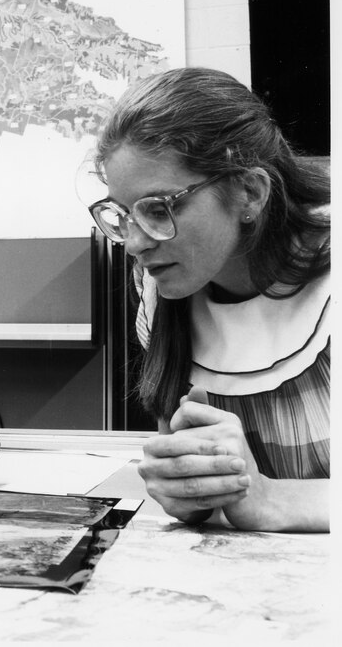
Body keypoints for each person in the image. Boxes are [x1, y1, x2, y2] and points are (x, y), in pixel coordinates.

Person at [87, 67, 329, 532]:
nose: (135, 244)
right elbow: (192, 472)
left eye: (159, 209)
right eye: (122, 215)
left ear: (249, 192)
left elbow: (260, 499)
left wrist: (272, 500)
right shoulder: (165, 293)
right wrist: (188, 490)